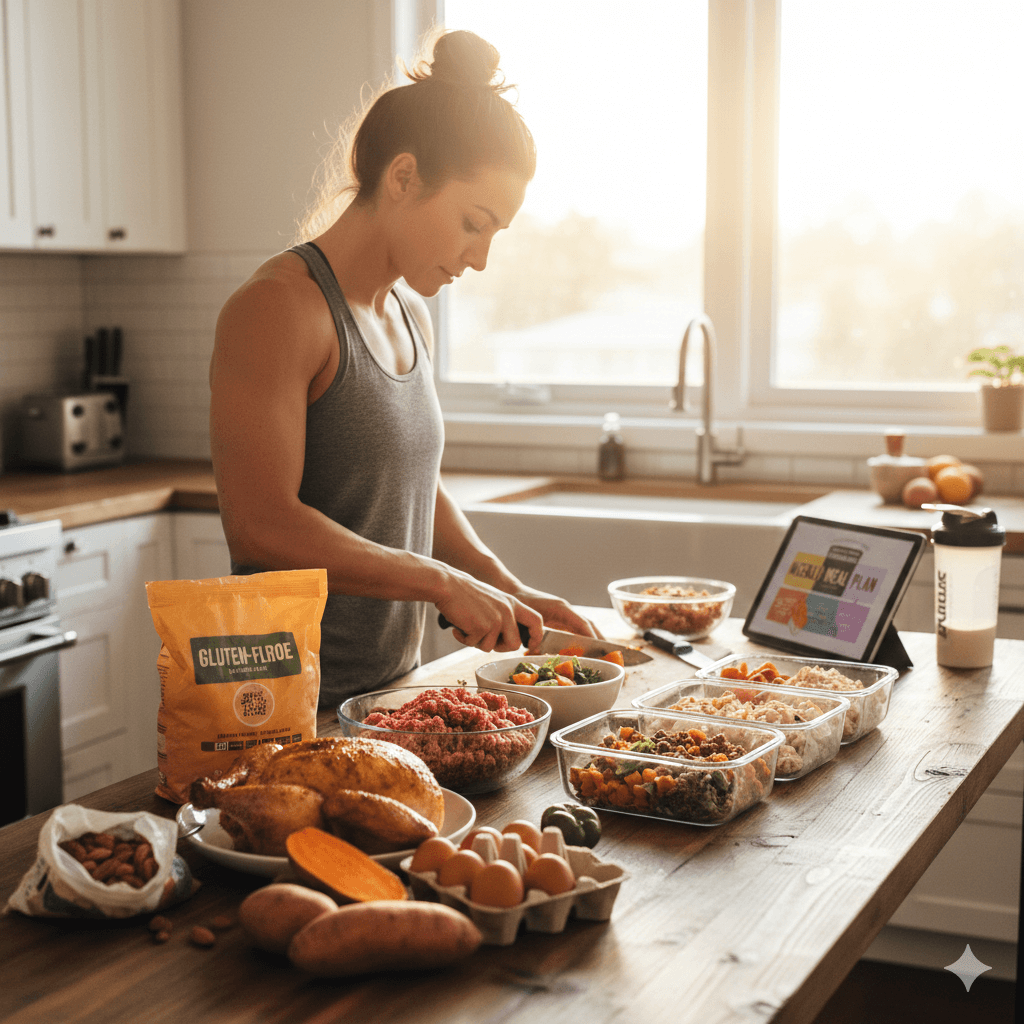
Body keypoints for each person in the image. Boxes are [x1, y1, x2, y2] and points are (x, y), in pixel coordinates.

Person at [209, 29, 598, 707]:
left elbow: (408, 480)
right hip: (285, 708)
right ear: (403, 177)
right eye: (474, 222)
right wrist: (442, 584)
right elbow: (261, 524)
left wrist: (501, 584)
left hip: (386, 697)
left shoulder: (408, 313)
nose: (479, 258)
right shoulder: (278, 308)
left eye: (495, 234)